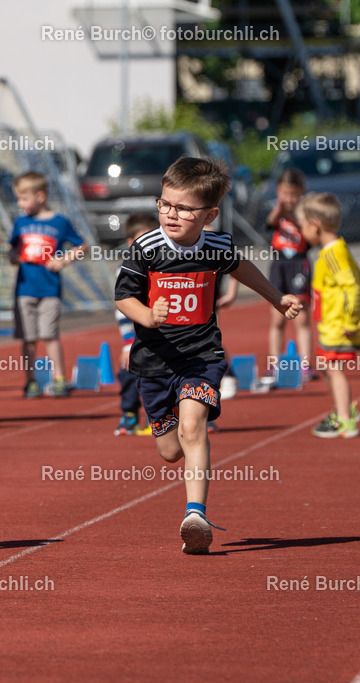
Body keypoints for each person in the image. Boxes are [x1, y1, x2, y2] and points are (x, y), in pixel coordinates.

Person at [115, 157, 302, 554]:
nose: (171, 214)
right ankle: (183, 451)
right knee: (169, 450)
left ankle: (195, 515)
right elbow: (122, 297)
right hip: (154, 361)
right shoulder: (147, 248)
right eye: (164, 204)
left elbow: (243, 268)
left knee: (192, 428)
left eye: (183, 208)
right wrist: (147, 315)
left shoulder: (218, 245)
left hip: (202, 356)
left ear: (209, 214)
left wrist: (276, 298)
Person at [9, 171, 85, 398]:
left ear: (40, 196)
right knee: (28, 338)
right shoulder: (21, 222)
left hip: (50, 288)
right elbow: (12, 250)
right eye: (18, 198)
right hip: (25, 289)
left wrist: (63, 260)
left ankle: (59, 377)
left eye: (24, 198)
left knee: (50, 334)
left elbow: (81, 246)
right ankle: (31, 380)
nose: (20, 203)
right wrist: (13, 256)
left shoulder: (59, 221)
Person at [298, 192, 360, 438]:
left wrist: (351, 321)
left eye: (302, 225)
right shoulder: (330, 251)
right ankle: (343, 411)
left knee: (331, 366)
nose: (302, 231)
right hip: (330, 324)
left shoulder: (334, 253)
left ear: (315, 225)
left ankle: (345, 419)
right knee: (327, 366)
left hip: (339, 325)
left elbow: (352, 286)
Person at [262, 168, 313, 383]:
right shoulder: (277, 209)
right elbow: (270, 222)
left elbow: (307, 233)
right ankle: (274, 364)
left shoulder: (306, 212)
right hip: (279, 263)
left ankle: (306, 364)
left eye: (293, 194)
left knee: (301, 317)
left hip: (298, 263)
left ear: (301, 192)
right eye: (284, 193)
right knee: (277, 318)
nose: (289, 199)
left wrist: (289, 213)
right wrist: (279, 208)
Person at [114, 212, 154, 436]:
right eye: (143, 241)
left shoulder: (165, 266)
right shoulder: (125, 270)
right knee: (128, 371)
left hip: (163, 334)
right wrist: (128, 343)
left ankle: (163, 418)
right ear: (131, 244)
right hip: (136, 337)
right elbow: (121, 309)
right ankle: (129, 414)